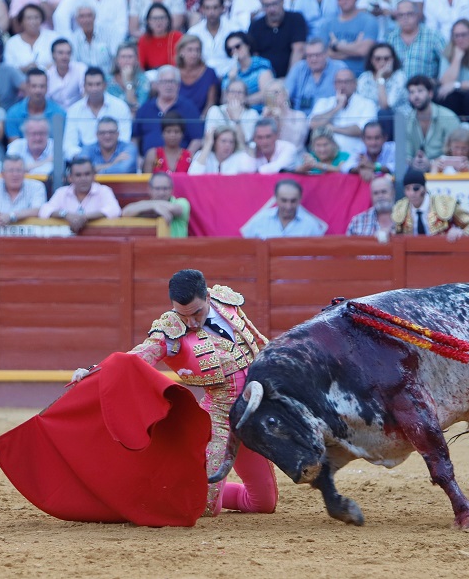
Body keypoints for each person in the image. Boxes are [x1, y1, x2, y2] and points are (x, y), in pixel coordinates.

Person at [68, 268, 278, 518]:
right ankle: (176, 492)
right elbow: (135, 359)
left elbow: (258, 342)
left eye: (197, 312)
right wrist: (94, 371)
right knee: (204, 507)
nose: (191, 322)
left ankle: (212, 490)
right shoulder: (170, 331)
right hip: (218, 419)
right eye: (183, 314)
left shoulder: (227, 303)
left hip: (253, 413)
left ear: (208, 298)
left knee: (263, 504)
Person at [134, 66, 205, 157]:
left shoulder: (189, 108)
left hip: (180, 167)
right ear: (157, 85)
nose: (168, 85)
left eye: (172, 82)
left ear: (178, 86)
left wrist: (184, 160)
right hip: (148, 166)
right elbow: (134, 138)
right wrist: (138, 159)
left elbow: (197, 139)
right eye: (164, 82)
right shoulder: (145, 109)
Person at [63, 67, 133, 159]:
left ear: (105, 85)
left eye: (98, 84)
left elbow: (124, 140)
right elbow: (69, 145)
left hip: (115, 158)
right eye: (90, 85)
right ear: (84, 86)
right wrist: (84, 159)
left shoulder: (120, 107)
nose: (94, 89)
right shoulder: (74, 110)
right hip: (83, 161)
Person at [38, 157, 121, 233]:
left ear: (93, 176)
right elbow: (44, 210)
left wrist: (85, 217)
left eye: (87, 174)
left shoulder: (103, 190)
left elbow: (114, 210)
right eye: (78, 175)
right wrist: (66, 214)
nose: (83, 179)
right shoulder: (61, 192)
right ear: (70, 178)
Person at [392, 169, 469, 240]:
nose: (412, 193)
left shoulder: (445, 203)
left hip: (443, 256)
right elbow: (393, 233)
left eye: (416, 188)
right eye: (407, 189)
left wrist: (461, 234)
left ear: (425, 189)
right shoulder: (400, 208)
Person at [309, 69, 378, 157]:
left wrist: (332, 128)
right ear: (334, 84)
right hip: (325, 157)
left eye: (347, 82)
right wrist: (337, 108)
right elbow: (313, 124)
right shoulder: (323, 102)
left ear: (355, 84)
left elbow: (363, 130)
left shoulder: (367, 104)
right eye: (339, 82)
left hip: (355, 156)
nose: (343, 85)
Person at [317, 0, 378, 74]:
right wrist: (354, 47)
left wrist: (335, 46)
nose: (343, 0)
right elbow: (322, 54)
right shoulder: (327, 24)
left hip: (360, 76)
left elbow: (364, 51)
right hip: (332, 77)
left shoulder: (369, 21)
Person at [405, 75, 462, 171]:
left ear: (430, 94)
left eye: (420, 91)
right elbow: (405, 154)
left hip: (445, 170)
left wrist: (433, 163)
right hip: (415, 171)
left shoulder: (449, 117)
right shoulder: (406, 120)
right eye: (412, 92)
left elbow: (456, 153)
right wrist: (412, 161)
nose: (416, 96)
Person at [248, 0, 307, 79]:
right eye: (267, 5)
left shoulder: (296, 19)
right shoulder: (256, 26)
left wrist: (289, 80)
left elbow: (299, 50)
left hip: (294, 77)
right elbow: (255, 58)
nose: (271, 9)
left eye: (275, 4)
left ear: (282, 1)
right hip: (265, 80)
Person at [0, 155, 48, 225]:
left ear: (24, 173)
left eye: (19, 170)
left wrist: (11, 216)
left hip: (28, 238)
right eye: (11, 170)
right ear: (2, 174)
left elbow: (38, 210)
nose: (15, 174)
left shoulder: (36, 186)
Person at [240, 178, 327, 238]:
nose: (288, 206)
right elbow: (247, 250)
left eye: (293, 201)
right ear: (276, 198)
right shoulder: (260, 219)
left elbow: (319, 258)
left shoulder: (310, 225)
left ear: (300, 199)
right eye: (284, 201)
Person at [356, 42, 409, 134]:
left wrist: (380, 79)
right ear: (371, 60)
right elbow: (361, 103)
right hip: (370, 120)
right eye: (378, 58)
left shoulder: (399, 77)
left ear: (393, 60)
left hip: (399, 123)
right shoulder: (364, 78)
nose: (382, 62)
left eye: (386, 58)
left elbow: (386, 106)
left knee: (384, 114)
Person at [386, 0, 446, 81]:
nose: (405, 18)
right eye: (401, 15)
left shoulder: (433, 36)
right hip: (396, 91)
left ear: (417, 15)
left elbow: (447, 62)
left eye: (409, 14)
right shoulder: (390, 38)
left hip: (426, 90)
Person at [186, 0, 241, 79]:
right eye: (207, 8)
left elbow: (240, 58)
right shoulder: (193, 32)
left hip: (230, 77)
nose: (211, 12)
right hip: (202, 78)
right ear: (201, 10)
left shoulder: (235, 29)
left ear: (223, 8)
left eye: (215, 8)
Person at [286, 38, 347, 115]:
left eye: (317, 55)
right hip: (301, 120)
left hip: (330, 118)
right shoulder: (298, 68)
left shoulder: (339, 68)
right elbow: (286, 93)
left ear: (326, 54)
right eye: (309, 55)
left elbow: (346, 96)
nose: (313, 59)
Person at [121, 172, 191, 238]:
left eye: (165, 188)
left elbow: (173, 208)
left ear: (171, 189)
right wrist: (153, 206)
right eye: (157, 189)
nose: (161, 193)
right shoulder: (146, 205)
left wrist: (153, 206)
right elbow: (125, 212)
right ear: (149, 190)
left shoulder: (181, 202)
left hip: (178, 249)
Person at [5, 68, 67, 141]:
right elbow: (14, 147)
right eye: (34, 86)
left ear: (47, 88)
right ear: (27, 87)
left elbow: (58, 147)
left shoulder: (59, 113)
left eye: (42, 86)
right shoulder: (13, 114)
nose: (38, 90)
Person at [222, 31, 274, 112]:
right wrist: (232, 80)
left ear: (247, 45)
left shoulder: (261, 65)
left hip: (260, 113)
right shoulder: (229, 73)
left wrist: (243, 101)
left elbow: (267, 94)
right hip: (236, 113)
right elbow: (224, 101)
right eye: (230, 50)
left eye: (238, 46)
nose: (234, 51)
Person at [5, 4, 58, 74]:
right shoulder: (12, 43)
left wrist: (44, 70)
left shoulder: (53, 37)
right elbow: (9, 68)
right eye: (29, 18)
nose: (33, 22)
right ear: (21, 21)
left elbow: (60, 60)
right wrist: (25, 69)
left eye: (36, 17)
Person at [177, 35, 220, 119]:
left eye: (197, 50)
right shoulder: (174, 73)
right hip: (177, 120)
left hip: (201, 118)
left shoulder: (209, 73)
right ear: (181, 52)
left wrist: (200, 120)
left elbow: (211, 103)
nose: (194, 54)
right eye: (190, 50)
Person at [260, 80, 308, 152]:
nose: (272, 97)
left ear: (285, 94)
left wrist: (281, 119)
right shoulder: (264, 117)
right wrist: (264, 120)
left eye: (276, 92)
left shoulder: (299, 115)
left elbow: (297, 142)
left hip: (295, 158)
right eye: (269, 94)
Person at [188, 124, 257, 175]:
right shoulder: (203, 155)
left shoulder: (239, 157)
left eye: (231, 142)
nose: (228, 145)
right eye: (223, 141)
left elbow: (251, 170)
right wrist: (208, 144)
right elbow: (193, 174)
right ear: (214, 142)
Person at [107, 42, 151, 117]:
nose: (126, 60)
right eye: (123, 57)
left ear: (136, 60)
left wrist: (128, 82)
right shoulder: (108, 80)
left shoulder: (143, 80)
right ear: (117, 60)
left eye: (130, 57)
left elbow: (136, 108)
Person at [346, 173, 396, 239]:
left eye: (383, 192)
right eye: (376, 193)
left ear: (392, 193)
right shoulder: (357, 221)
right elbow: (347, 247)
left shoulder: (407, 217)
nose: (380, 196)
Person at [69, 5, 117, 71]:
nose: (86, 20)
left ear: (94, 17)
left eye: (89, 16)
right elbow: (74, 63)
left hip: (107, 77)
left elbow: (115, 57)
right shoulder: (73, 39)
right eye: (82, 16)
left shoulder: (108, 34)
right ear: (77, 20)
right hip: (84, 79)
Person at [137, 2, 183, 71]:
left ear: (168, 20)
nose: (158, 22)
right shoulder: (144, 39)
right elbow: (140, 66)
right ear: (148, 21)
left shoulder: (177, 37)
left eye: (162, 18)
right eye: (154, 18)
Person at [46, 38, 87, 110]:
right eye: (61, 53)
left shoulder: (80, 69)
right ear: (53, 55)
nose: (65, 57)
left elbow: (86, 94)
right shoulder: (47, 74)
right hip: (56, 115)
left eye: (68, 53)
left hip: (78, 112)